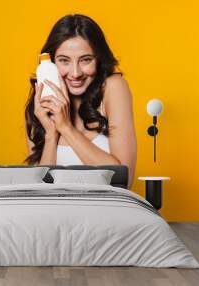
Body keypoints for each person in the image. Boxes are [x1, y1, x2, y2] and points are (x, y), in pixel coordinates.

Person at [24, 14, 137, 189]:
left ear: (98, 60)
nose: (75, 73)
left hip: (105, 211)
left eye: (86, 60)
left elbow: (123, 181)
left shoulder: (113, 88)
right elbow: (41, 191)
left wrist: (66, 128)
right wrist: (51, 135)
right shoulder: (40, 105)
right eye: (64, 61)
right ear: (51, 62)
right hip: (54, 213)